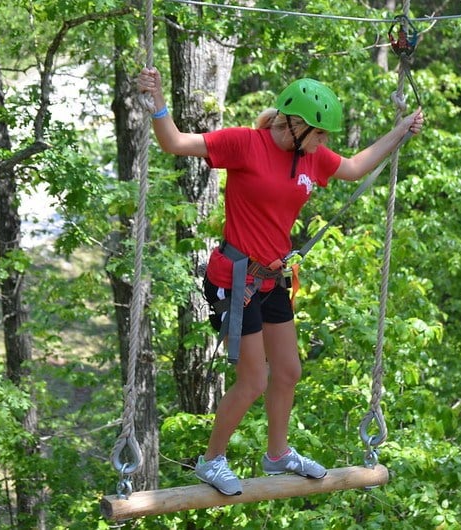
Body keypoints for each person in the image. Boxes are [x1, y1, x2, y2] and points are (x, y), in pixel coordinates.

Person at [137, 67, 423, 496]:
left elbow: (354, 167)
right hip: (234, 280)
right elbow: (174, 143)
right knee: (253, 380)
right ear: (295, 125)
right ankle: (211, 460)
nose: (324, 144)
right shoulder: (244, 143)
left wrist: (400, 131)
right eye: (320, 134)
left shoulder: (309, 156)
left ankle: (277, 454)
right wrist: (157, 101)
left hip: (272, 279)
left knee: (288, 370)